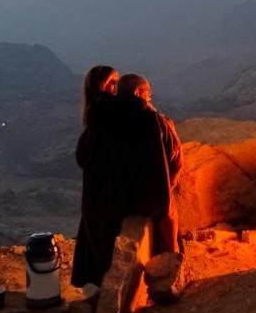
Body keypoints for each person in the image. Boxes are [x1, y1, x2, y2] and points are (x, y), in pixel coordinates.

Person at [72, 66, 173, 289]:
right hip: (143, 197)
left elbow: (82, 156)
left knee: (96, 239)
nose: (114, 88)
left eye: (117, 83)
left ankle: (94, 286)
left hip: (103, 196)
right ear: (139, 93)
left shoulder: (97, 115)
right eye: (111, 83)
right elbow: (172, 154)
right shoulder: (149, 117)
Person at [118, 73, 184, 254]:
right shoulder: (155, 120)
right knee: (169, 229)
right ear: (138, 92)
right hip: (156, 196)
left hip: (119, 199)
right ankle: (170, 269)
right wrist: (171, 183)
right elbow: (175, 156)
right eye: (148, 92)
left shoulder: (108, 120)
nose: (150, 96)